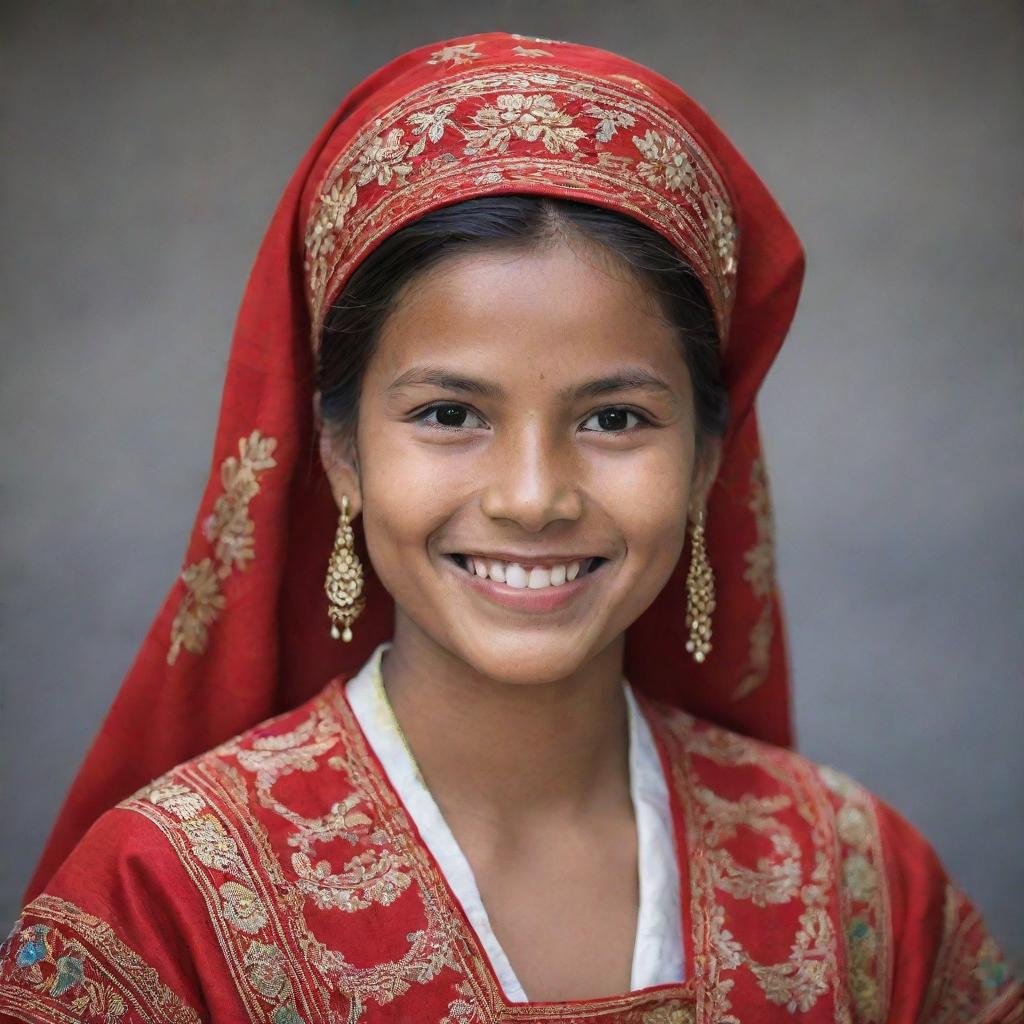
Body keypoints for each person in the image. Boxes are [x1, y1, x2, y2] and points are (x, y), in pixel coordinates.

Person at [0, 29, 1018, 1024]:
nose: (533, 497)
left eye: (614, 418)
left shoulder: (856, 888)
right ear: (341, 453)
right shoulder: (162, 906)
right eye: (450, 414)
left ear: (705, 461)